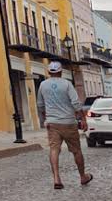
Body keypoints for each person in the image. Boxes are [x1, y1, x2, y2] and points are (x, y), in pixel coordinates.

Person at [37, 61, 93, 189]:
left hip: (53, 123)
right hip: (68, 122)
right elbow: (75, 103)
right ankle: (83, 176)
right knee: (76, 151)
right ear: (61, 72)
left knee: (54, 149)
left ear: (49, 72)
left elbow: (40, 105)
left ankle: (57, 179)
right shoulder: (67, 84)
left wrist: (47, 118)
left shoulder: (43, 85)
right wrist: (83, 119)